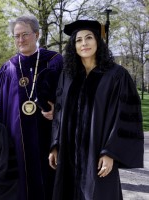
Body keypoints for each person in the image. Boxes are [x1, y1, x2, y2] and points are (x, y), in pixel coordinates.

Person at [48, 20, 144, 200]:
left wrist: (110, 152)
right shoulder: (67, 76)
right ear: (73, 46)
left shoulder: (116, 75)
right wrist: (55, 145)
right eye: (78, 40)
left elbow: (122, 117)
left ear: (98, 42)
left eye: (89, 38)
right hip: (68, 153)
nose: (84, 43)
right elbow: (59, 113)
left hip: (97, 153)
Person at [0, 15, 63, 200]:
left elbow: (71, 98)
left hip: (49, 140)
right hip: (15, 144)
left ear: (37, 34)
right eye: (16, 36)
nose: (20, 40)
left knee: (49, 184)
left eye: (25, 35)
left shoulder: (55, 61)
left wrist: (59, 110)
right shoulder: (8, 68)